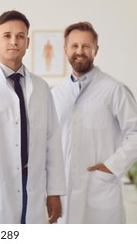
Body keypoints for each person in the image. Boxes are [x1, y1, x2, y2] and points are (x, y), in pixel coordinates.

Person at [0, 10, 66, 224]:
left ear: (28, 42)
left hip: (34, 182)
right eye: (7, 35)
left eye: (20, 36)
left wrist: (54, 191)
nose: (13, 41)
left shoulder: (41, 87)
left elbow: (52, 140)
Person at [52, 21, 137, 223]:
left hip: (99, 190)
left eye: (86, 46)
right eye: (74, 46)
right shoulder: (55, 94)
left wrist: (111, 167)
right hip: (64, 192)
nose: (79, 51)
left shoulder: (114, 89)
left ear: (95, 50)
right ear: (65, 50)